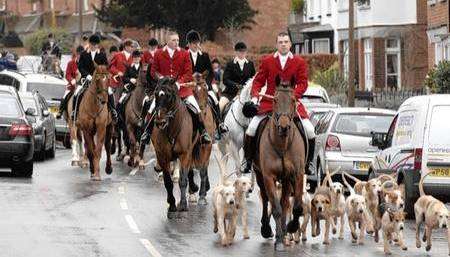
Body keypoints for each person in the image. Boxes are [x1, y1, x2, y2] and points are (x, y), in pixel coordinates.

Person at [242, 32, 316, 174]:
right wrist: (255, 97)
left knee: (310, 131)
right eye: (280, 42)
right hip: (270, 102)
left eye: (286, 41)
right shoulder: (267, 60)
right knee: (251, 129)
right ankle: (248, 160)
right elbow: (258, 81)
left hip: (291, 105)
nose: (283, 44)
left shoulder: (299, 62)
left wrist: (293, 96)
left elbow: (303, 83)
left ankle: (309, 163)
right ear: (277, 44)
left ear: (290, 44)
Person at [141, 31, 212, 144]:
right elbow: (154, 71)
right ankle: (147, 133)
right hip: (164, 89)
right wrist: (162, 78)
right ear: (167, 41)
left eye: (178, 40)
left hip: (182, 89)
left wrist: (179, 82)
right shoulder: (159, 53)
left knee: (196, 107)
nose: (176, 42)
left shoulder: (184, 53)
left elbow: (188, 72)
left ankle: (203, 133)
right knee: (152, 107)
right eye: (174, 40)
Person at [186, 30, 225, 138]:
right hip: (190, 85)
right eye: (193, 43)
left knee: (214, 98)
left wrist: (207, 84)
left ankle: (219, 124)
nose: (195, 45)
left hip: (203, 84)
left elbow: (210, 72)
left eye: (197, 43)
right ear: (188, 44)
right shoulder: (184, 55)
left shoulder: (204, 55)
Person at [73, 34, 117, 121]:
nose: (93, 46)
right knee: (77, 92)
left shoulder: (102, 55)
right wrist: (87, 75)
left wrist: (100, 76)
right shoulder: (84, 54)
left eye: (95, 44)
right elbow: (80, 67)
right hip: (86, 78)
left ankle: (113, 111)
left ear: (97, 45)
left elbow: (105, 67)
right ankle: (75, 112)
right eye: (92, 44)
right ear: (89, 44)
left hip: (99, 78)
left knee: (110, 91)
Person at [219, 42, 256, 113]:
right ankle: (220, 123)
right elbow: (225, 79)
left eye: (244, 51)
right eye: (240, 51)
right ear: (236, 52)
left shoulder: (250, 64)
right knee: (220, 106)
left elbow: (253, 79)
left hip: (246, 94)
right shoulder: (230, 64)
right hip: (230, 94)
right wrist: (235, 85)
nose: (242, 53)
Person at [56, 45, 84, 119]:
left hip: (83, 84)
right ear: (77, 54)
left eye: (82, 55)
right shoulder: (70, 63)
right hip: (72, 85)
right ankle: (60, 111)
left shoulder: (85, 64)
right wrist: (72, 80)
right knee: (65, 96)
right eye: (79, 54)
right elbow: (67, 74)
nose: (80, 56)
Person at [116, 50, 142, 119]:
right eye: (135, 58)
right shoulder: (129, 67)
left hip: (140, 89)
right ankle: (118, 117)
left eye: (138, 57)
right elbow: (124, 78)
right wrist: (130, 80)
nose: (136, 59)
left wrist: (138, 81)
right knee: (121, 101)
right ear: (132, 58)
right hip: (130, 88)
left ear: (140, 58)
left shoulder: (143, 68)